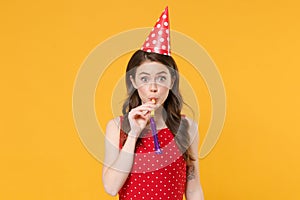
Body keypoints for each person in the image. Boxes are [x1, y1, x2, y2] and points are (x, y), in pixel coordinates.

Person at [102, 7, 204, 200]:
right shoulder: (117, 127)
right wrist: (133, 133)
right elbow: (111, 187)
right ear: (133, 82)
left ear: (172, 81)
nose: (153, 87)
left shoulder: (187, 127)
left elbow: (194, 189)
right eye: (145, 78)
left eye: (162, 78)